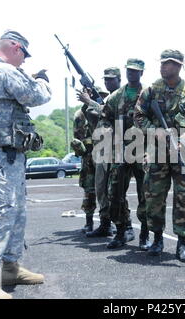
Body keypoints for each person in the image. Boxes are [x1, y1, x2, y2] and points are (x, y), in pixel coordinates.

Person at [0, 30, 52, 299]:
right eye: (24, 55)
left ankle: (10, 268)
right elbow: (36, 95)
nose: (24, 61)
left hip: (9, 157)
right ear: (16, 47)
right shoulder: (1, 71)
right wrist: (41, 80)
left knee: (15, 215)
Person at [134, 50, 185, 263]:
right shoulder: (151, 91)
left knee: (184, 198)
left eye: (168, 64)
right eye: (162, 63)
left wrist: (184, 138)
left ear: (179, 66)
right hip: (157, 152)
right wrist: (154, 131)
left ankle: (183, 244)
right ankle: (157, 239)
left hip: (183, 154)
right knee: (154, 197)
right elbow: (138, 116)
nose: (163, 66)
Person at [100, 59, 150, 250]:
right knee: (115, 193)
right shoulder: (116, 96)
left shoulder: (148, 94)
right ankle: (121, 231)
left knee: (145, 194)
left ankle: (144, 234)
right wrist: (107, 132)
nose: (132, 74)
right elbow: (105, 117)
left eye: (136, 71)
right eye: (129, 71)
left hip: (142, 150)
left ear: (141, 73)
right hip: (120, 151)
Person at [79, 67, 121, 238]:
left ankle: (122, 227)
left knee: (116, 191)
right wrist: (87, 101)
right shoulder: (105, 99)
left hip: (116, 148)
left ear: (119, 79)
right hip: (101, 149)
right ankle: (105, 223)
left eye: (111, 79)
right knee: (100, 188)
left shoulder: (122, 96)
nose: (108, 82)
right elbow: (92, 117)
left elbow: (109, 113)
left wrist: (90, 101)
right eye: (105, 79)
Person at [72, 86, 109, 233]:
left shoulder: (102, 111)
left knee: (105, 189)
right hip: (88, 157)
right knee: (89, 190)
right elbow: (78, 137)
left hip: (103, 154)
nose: (100, 97)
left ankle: (107, 221)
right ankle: (89, 222)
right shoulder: (80, 115)